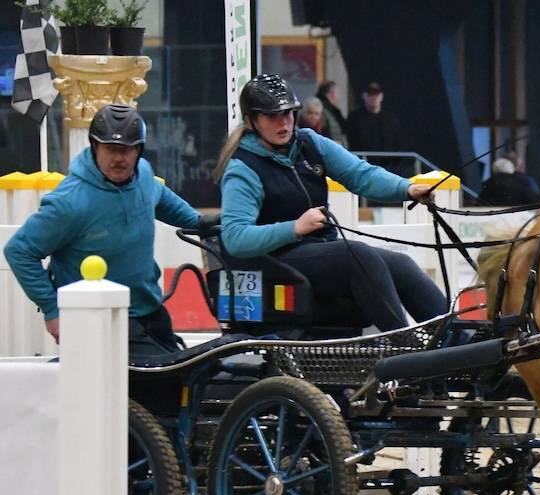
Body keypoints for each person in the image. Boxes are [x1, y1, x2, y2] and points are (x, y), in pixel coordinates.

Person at [215, 74, 447, 332]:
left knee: (400, 264)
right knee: (358, 255)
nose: (284, 123)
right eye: (273, 116)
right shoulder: (242, 168)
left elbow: (361, 174)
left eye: (289, 113)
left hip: (320, 253)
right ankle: (406, 347)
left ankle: (458, 342)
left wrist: (407, 188)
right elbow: (235, 238)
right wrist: (294, 228)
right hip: (275, 263)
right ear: (251, 120)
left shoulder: (310, 143)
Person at [4, 104, 214, 357]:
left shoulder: (143, 174)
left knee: (183, 379)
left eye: (127, 150)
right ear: (95, 146)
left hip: (149, 310)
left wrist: (200, 223)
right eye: (111, 149)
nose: (119, 159)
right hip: (97, 318)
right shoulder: (69, 202)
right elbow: (18, 251)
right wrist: (52, 310)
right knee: (157, 390)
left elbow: (160, 199)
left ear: (139, 150)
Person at [345, 81, 403, 153]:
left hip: (387, 163)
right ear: (363, 96)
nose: (374, 97)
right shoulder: (354, 118)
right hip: (362, 161)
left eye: (377, 94)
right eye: (370, 94)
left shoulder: (390, 119)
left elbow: (397, 144)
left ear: (381, 96)